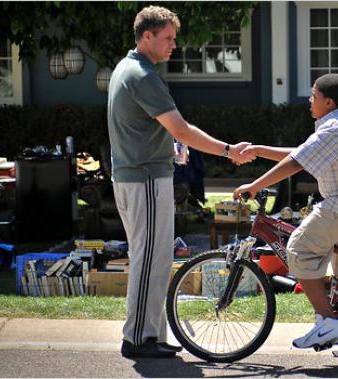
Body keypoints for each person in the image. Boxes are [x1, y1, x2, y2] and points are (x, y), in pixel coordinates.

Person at [108, 5, 255, 359]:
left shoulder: (127, 68)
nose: (174, 45)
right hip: (144, 178)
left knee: (156, 258)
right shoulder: (143, 74)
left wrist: (173, 145)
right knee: (149, 260)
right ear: (147, 36)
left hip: (138, 175)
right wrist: (227, 150)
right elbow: (182, 128)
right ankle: (138, 339)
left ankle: (152, 335)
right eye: (168, 38)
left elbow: (152, 127)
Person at [233, 73, 338, 357]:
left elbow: (296, 163)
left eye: (314, 96)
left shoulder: (334, 128)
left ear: (328, 102)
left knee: (298, 247)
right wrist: (259, 150)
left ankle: (329, 322)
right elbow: (303, 153)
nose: (310, 100)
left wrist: (254, 186)